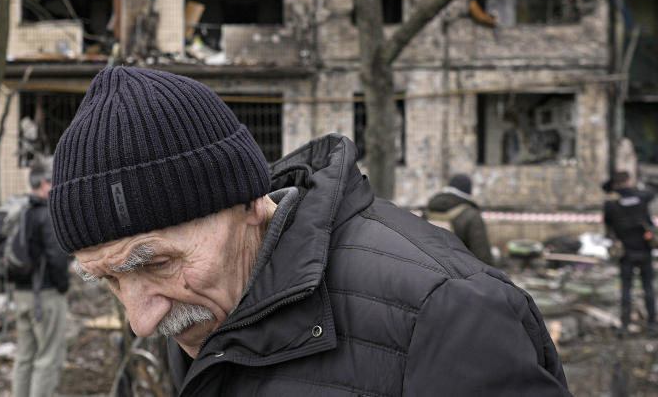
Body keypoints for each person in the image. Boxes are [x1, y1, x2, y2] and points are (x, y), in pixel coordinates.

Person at [50, 67, 570, 395]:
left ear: (248, 205)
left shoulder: (446, 313)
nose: (141, 320)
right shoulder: (200, 311)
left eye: (157, 263)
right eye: (111, 281)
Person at [12, 158, 71, 397]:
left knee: (25, 357)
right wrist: (63, 286)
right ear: (45, 184)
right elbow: (57, 257)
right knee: (48, 358)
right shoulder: (47, 215)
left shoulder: (22, 210)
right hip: (45, 296)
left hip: (21, 294)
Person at [602, 170, 658, 335]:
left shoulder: (611, 202)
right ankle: (652, 325)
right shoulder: (641, 196)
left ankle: (624, 326)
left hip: (625, 251)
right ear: (629, 180)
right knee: (648, 287)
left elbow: (607, 223)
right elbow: (652, 194)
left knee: (626, 288)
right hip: (644, 248)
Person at [425, 173, 493, 264]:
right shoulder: (471, 215)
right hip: (457, 273)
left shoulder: (428, 210)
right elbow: (482, 254)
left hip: (427, 270)